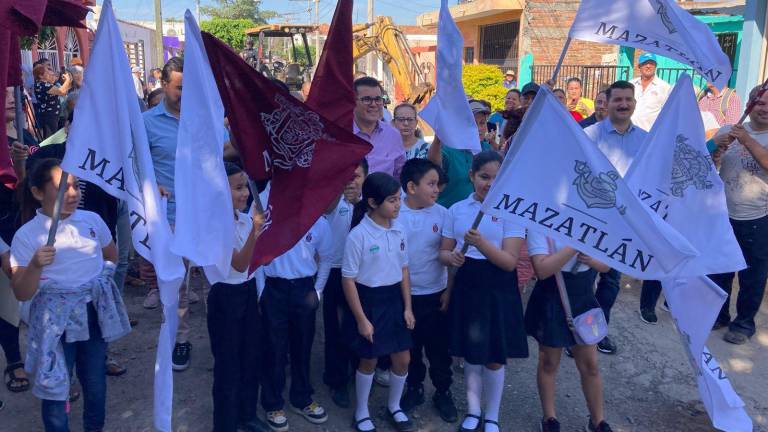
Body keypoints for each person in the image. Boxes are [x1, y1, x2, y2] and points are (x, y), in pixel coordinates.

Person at [10, 158, 130, 432]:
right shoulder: (27, 236)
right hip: (54, 322)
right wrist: (35, 266)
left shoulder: (91, 221)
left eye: (76, 186)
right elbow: (21, 290)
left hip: (92, 315)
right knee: (55, 389)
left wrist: (100, 281)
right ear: (38, 192)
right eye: (63, 188)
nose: (73, 193)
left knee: (96, 383)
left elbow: (110, 256)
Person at [440, 151, 527, 432]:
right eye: (484, 177)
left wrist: (481, 244)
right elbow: (444, 251)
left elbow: (509, 261)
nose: (489, 184)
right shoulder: (457, 210)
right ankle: (473, 411)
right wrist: (450, 258)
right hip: (467, 283)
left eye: (496, 178)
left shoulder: (513, 211)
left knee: (493, 356)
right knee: (471, 354)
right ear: (472, 177)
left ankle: (492, 416)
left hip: (498, 287)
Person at [342, 172, 416, 432]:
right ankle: (361, 411)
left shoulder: (399, 229)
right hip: (369, 302)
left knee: (403, 358)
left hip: (394, 300)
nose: (398, 205)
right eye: (392, 200)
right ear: (373, 202)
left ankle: (394, 406)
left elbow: (404, 269)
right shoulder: (358, 236)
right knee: (369, 360)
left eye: (399, 199)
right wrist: (362, 319)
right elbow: (348, 279)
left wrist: (407, 307)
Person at [141, 57, 200, 370]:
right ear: (163, 85)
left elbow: (222, 152)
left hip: (204, 214)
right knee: (177, 284)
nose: (184, 94)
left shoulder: (202, 119)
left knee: (215, 279)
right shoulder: (147, 123)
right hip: (171, 216)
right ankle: (180, 339)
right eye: (179, 88)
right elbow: (137, 166)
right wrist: (151, 185)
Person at [259, 182, 333, 431]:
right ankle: (273, 403)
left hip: (304, 290)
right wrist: (261, 292)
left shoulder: (317, 221)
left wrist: (318, 291)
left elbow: (327, 258)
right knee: (274, 347)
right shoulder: (266, 214)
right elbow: (256, 256)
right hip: (274, 289)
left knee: (303, 345)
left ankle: (302, 397)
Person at [583, 80, 648, 355]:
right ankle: (578, 334)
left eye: (628, 99)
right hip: (591, 220)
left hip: (624, 225)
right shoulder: (589, 136)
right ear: (606, 103)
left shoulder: (646, 140)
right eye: (617, 99)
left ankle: (598, 332)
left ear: (634, 103)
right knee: (584, 282)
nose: (623, 104)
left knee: (610, 284)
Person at [525, 234, 613, 432]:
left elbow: (607, 266)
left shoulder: (591, 223)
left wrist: (592, 260)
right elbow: (542, 270)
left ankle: (598, 421)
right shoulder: (541, 222)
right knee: (549, 361)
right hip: (551, 296)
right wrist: (575, 246)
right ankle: (549, 418)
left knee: (590, 365)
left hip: (583, 297)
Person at [205, 162, 269, 432]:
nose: (245, 194)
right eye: (238, 188)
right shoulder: (214, 225)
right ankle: (226, 423)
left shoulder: (243, 219)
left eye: (245, 186)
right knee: (228, 364)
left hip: (248, 292)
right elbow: (240, 264)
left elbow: (254, 267)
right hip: (225, 297)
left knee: (250, 356)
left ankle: (247, 414)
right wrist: (255, 231)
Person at [396, 159, 457, 423]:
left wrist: (449, 291)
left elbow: (447, 254)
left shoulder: (443, 214)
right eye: (431, 184)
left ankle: (443, 391)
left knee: (439, 348)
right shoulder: (395, 214)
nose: (436, 190)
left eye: (438, 185)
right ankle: (414, 387)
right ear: (411, 186)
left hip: (436, 293)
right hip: (405, 295)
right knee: (411, 346)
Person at [709, 85, 768, 345]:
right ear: (749, 105)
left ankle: (743, 324)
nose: (764, 108)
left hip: (756, 218)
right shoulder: (729, 130)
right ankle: (719, 315)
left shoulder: (748, 136)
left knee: (752, 275)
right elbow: (703, 161)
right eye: (760, 103)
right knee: (720, 269)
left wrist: (746, 139)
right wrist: (714, 149)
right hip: (723, 215)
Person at [323, 159, 368, 408]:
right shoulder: (331, 199)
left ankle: (361, 371)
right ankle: (336, 379)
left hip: (364, 274)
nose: (352, 181)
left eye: (357, 176)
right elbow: (327, 210)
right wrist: (339, 191)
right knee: (336, 327)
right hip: (335, 271)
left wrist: (358, 204)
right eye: (347, 175)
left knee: (361, 324)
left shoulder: (369, 203)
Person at [427, 105, 493, 208]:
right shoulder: (449, 148)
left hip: (479, 216)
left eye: (482, 123)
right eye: (473, 123)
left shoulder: (488, 149)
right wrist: (437, 140)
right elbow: (433, 164)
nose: (479, 128)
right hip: (449, 216)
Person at [353, 77, 405, 177]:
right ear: (353, 102)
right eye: (366, 99)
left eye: (378, 99)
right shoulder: (341, 134)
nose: (373, 104)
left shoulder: (393, 135)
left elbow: (400, 176)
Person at [629, 52, 671, 131]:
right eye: (645, 63)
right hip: (627, 133)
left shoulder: (664, 87)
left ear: (655, 66)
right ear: (639, 66)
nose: (648, 66)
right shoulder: (631, 84)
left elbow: (668, 114)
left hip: (648, 135)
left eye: (651, 63)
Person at [33, 64, 71, 139]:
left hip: (50, 115)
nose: (50, 75)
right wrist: (68, 80)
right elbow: (62, 91)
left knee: (52, 136)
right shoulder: (43, 85)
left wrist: (67, 82)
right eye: (47, 73)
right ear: (40, 76)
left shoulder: (40, 84)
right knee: (51, 138)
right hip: (49, 116)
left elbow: (64, 91)